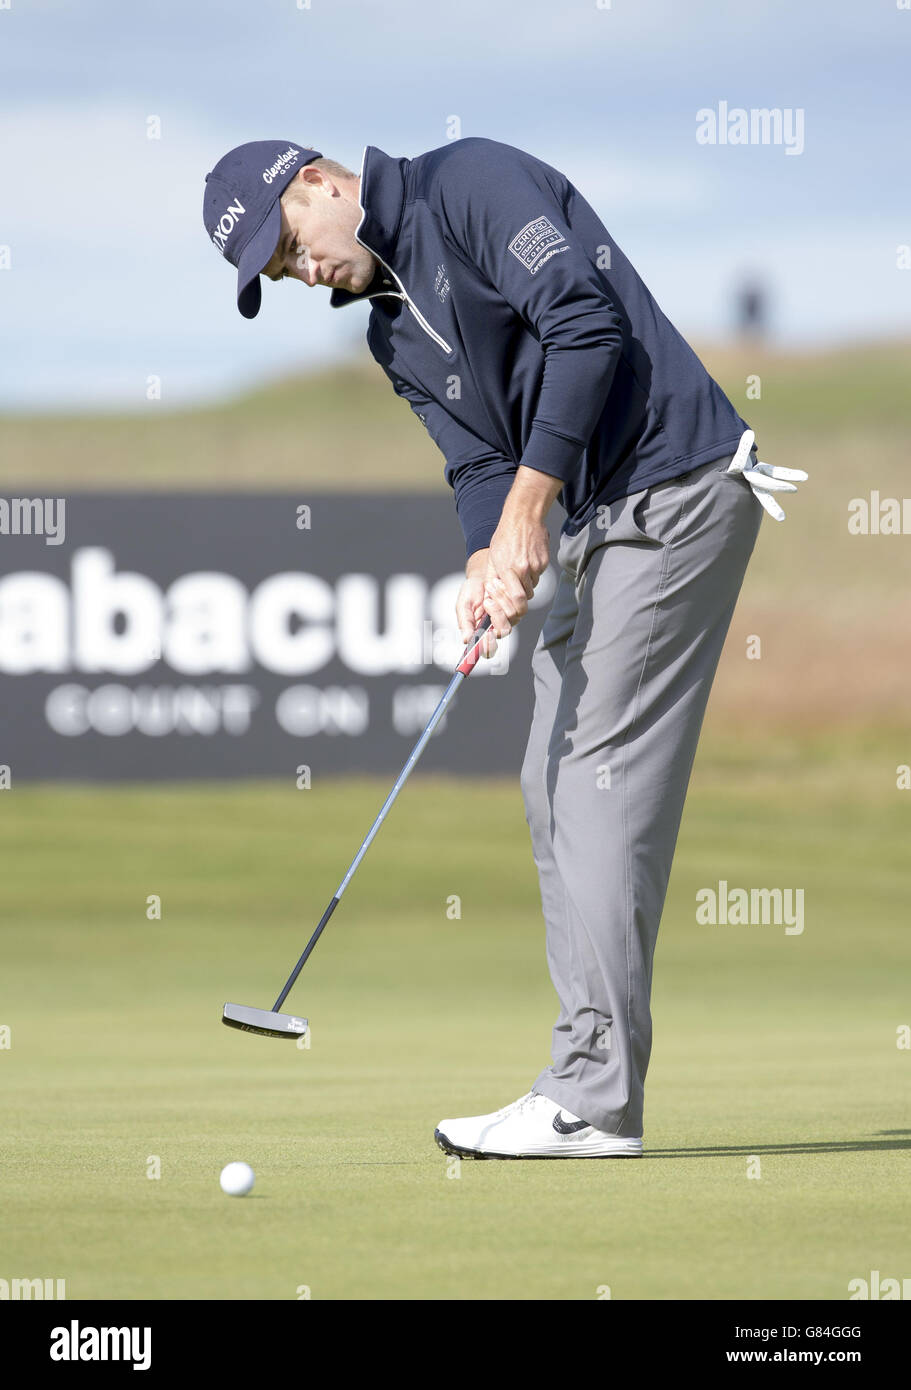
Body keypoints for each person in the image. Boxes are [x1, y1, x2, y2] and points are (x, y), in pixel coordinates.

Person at [202, 137, 806, 1159]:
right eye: (279, 274)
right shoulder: (390, 338)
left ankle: (595, 1100)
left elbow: (584, 324)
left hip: (676, 487)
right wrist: (486, 559)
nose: (304, 274)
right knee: (544, 781)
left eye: (290, 248)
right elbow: (476, 459)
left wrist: (529, 507)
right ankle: (585, 1080)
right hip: (587, 522)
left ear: (316, 182)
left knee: (598, 784)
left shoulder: (467, 183)